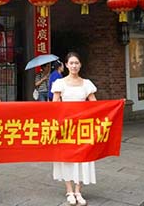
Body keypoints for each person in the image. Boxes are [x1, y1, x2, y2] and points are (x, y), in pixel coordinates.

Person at [51, 52, 97, 206]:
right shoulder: (60, 83)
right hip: (66, 127)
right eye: (71, 63)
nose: (74, 66)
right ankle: (69, 190)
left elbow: (96, 105)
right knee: (66, 158)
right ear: (66, 65)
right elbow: (54, 105)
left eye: (77, 63)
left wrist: (116, 104)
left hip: (83, 126)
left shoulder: (87, 84)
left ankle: (78, 190)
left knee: (82, 158)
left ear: (80, 65)